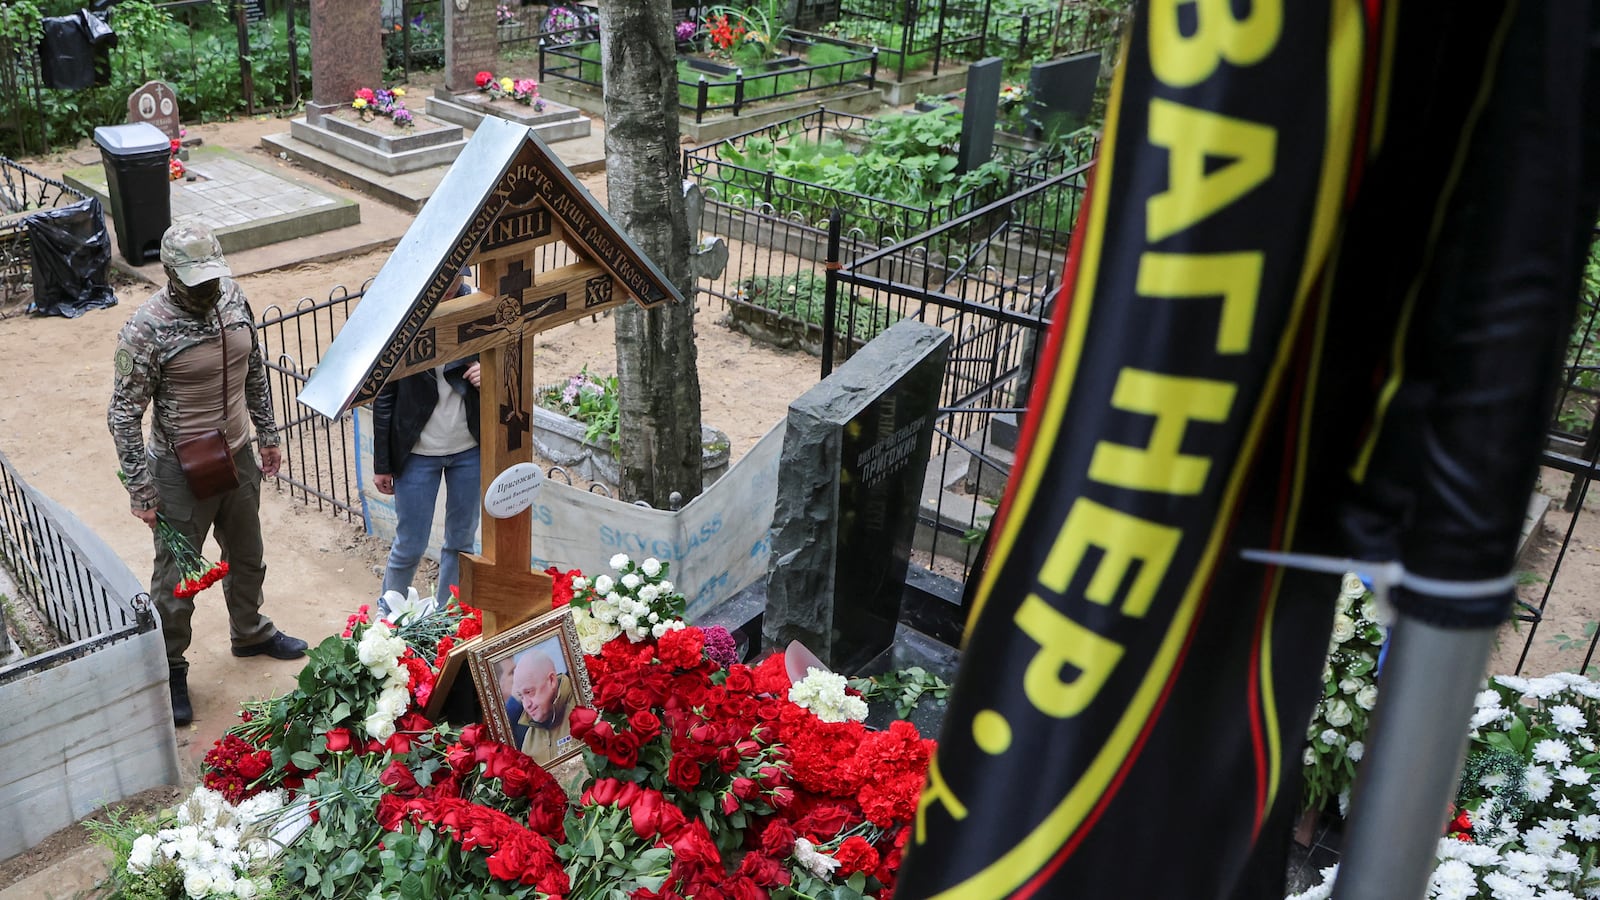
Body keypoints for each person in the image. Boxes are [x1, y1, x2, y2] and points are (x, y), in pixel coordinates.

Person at [108, 224, 308, 727]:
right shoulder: (146, 328)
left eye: (212, 275)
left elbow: (255, 369)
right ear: (171, 274)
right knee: (177, 578)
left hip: (237, 453)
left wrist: (268, 433)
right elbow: (123, 414)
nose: (207, 288)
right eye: (195, 279)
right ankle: (171, 665)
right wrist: (141, 487)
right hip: (180, 467)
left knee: (247, 555)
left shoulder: (232, 296)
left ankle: (250, 631)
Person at [371, 271, 482, 600]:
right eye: (441, 281)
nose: (448, 289)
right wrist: (383, 462)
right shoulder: (404, 314)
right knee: (410, 543)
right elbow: (385, 394)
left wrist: (491, 368)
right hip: (417, 453)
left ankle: (446, 623)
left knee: (461, 543)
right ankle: (388, 620)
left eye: (454, 281)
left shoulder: (475, 306)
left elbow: (510, 358)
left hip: (469, 449)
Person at [511, 646, 577, 764]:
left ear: (551, 680)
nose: (526, 705)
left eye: (529, 692)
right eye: (521, 696)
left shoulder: (582, 705)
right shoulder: (529, 741)